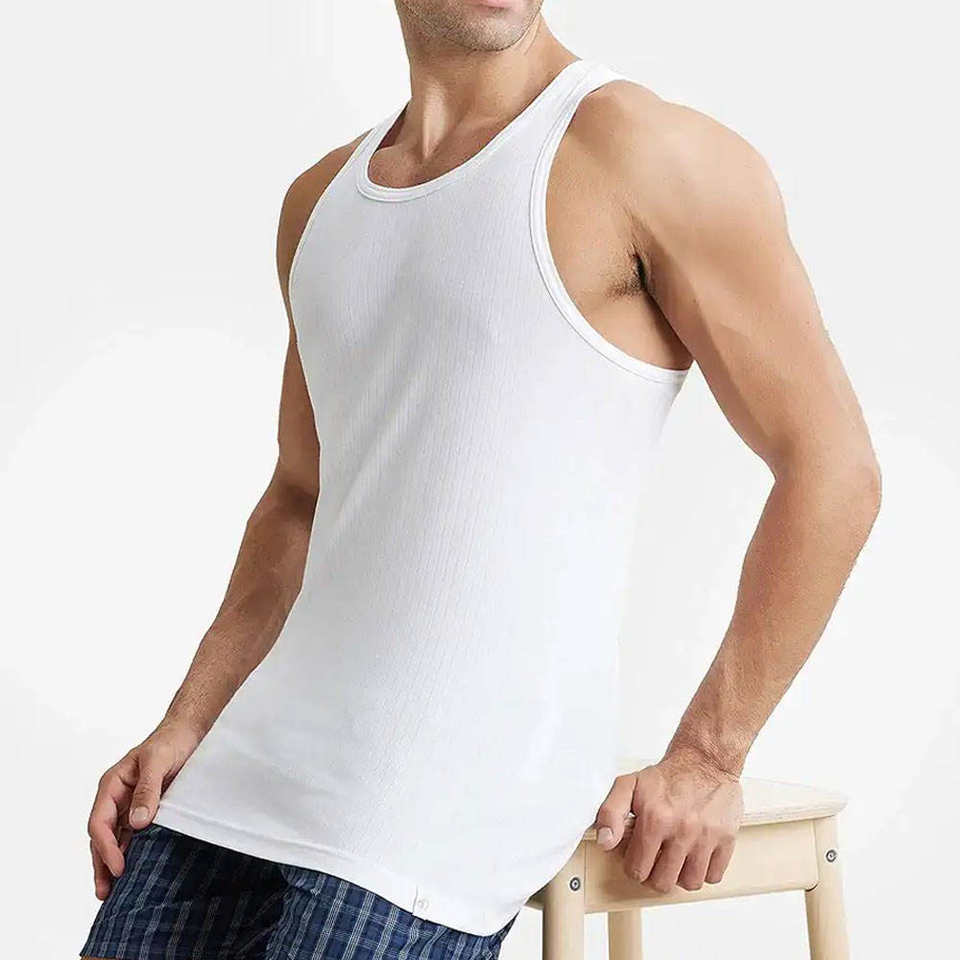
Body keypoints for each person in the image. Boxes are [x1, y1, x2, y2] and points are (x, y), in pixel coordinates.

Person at [80, 2, 881, 958]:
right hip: (247, 774)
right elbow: (300, 495)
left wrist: (711, 754)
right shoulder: (319, 201)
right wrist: (187, 721)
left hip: (443, 799)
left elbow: (832, 467)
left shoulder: (646, 154)